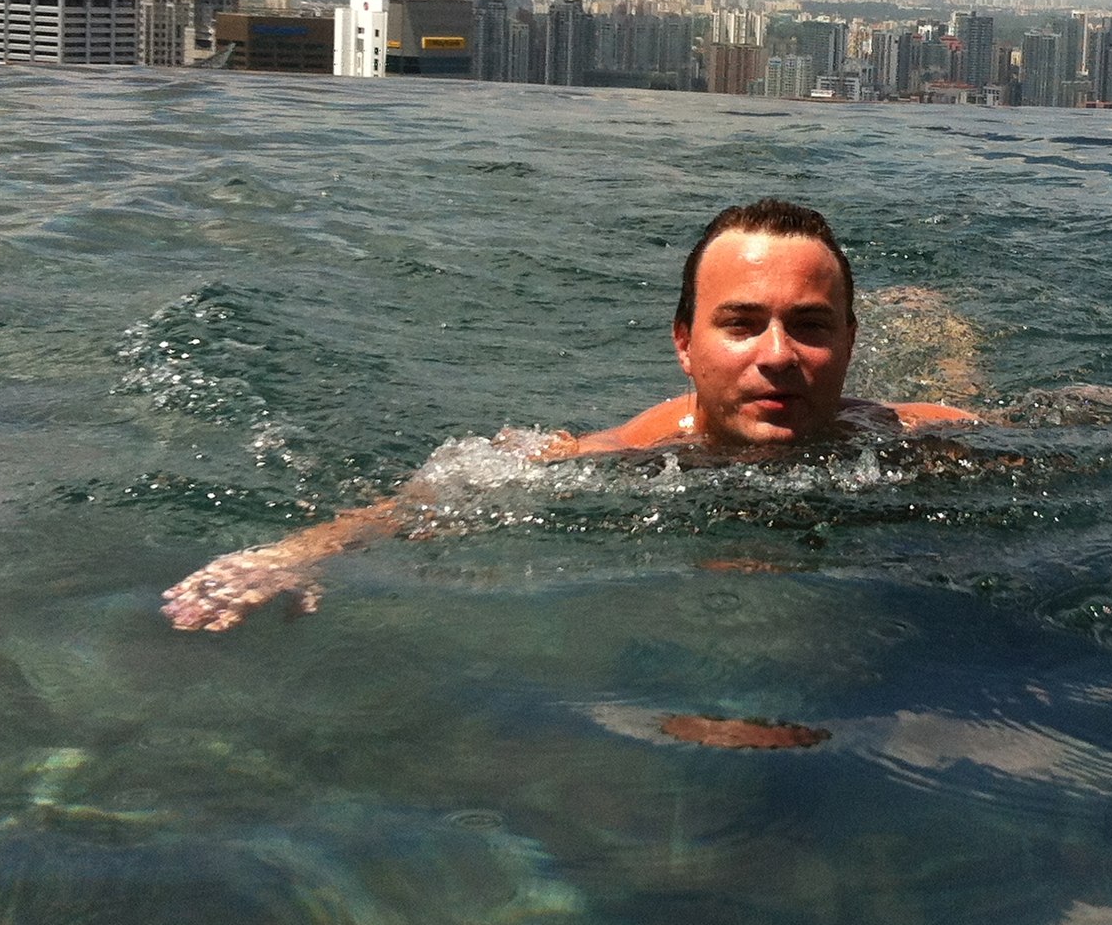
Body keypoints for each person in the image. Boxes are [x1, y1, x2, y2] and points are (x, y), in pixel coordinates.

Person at [162, 198, 977, 631]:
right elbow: (452, 489)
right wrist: (297, 552)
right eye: (740, 323)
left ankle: (941, 333)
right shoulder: (632, 454)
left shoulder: (916, 437)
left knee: (949, 372)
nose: (777, 355)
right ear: (684, 344)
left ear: (848, 342)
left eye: (811, 326)